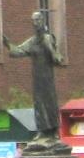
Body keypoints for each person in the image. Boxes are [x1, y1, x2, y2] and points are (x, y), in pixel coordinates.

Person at [8, 12, 66, 144]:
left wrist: (55, 55)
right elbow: (18, 51)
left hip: (47, 78)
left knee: (50, 102)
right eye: (33, 20)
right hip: (37, 78)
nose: (35, 23)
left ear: (43, 20)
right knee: (39, 104)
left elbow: (56, 55)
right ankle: (42, 130)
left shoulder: (48, 38)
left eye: (38, 20)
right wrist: (7, 44)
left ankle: (54, 131)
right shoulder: (32, 41)